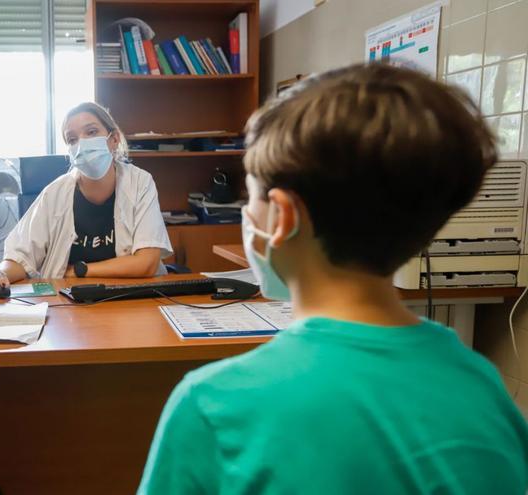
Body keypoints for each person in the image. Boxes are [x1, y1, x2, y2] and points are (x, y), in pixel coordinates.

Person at [139, 63, 528, 494]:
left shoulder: (212, 406)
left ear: (282, 217)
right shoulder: (482, 387)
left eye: (250, 196)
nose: (246, 212)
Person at [0, 102, 172, 294]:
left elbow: (147, 262)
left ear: (114, 139)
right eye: (72, 139)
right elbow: (20, 256)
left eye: (91, 132)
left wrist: (80, 270)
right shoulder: (55, 193)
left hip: (132, 299)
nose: (82, 143)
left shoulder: (139, 183)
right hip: (69, 302)